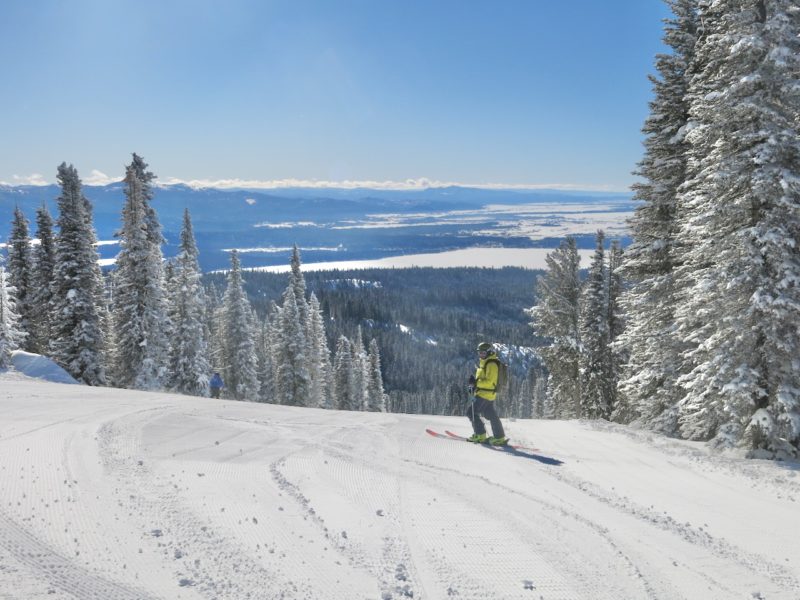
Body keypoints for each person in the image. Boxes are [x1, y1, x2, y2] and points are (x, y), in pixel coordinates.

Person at [466, 342, 508, 446]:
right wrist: (474, 384)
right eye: (479, 353)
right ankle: (499, 437)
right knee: (490, 415)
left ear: (489, 352)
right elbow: (483, 379)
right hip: (487, 394)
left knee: (470, 412)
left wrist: (476, 383)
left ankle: (480, 435)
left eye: (483, 353)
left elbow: (490, 382)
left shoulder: (491, 364)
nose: (481, 355)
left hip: (485, 395)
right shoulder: (486, 362)